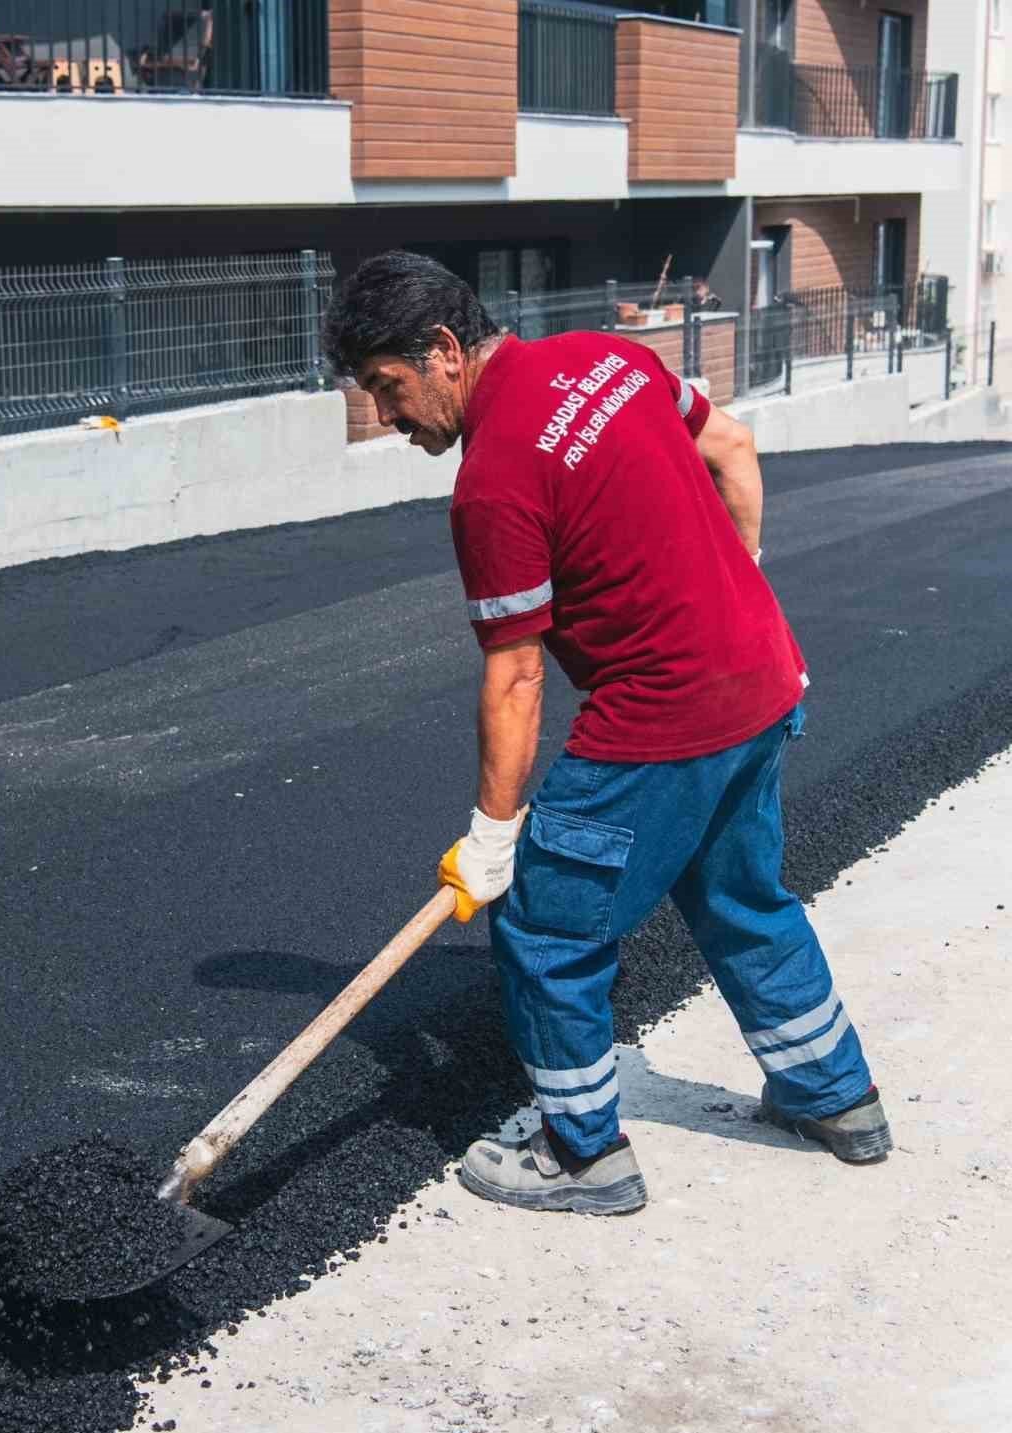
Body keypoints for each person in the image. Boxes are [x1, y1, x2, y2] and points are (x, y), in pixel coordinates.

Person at [321, 252, 892, 1217]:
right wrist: (733, 584)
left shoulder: (492, 482)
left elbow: (516, 675)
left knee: (545, 926)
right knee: (741, 897)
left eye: (386, 386)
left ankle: (581, 1153)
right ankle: (836, 1097)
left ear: (445, 351)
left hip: (662, 718)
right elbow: (734, 447)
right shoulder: (606, 358)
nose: (385, 415)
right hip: (761, 678)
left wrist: (493, 834)